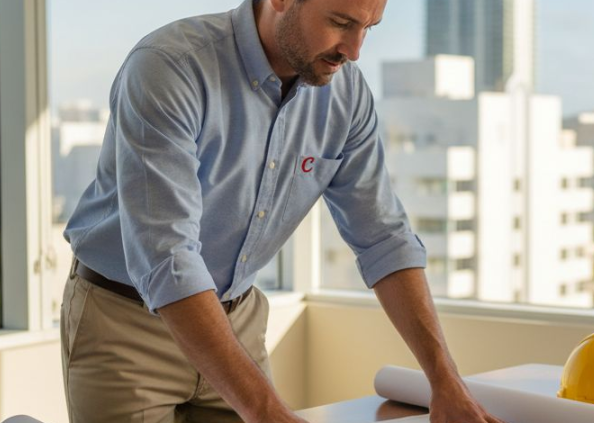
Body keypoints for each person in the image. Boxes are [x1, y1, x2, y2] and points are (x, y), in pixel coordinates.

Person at [60, 0, 505, 422]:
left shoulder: (346, 95)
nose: (353, 51)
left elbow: (385, 239)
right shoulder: (170, 66)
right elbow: (167, 257)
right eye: (341, 22)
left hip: (237, 321)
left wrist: (444, 381)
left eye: (368, 28)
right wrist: (264, 410)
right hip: (126, 327)